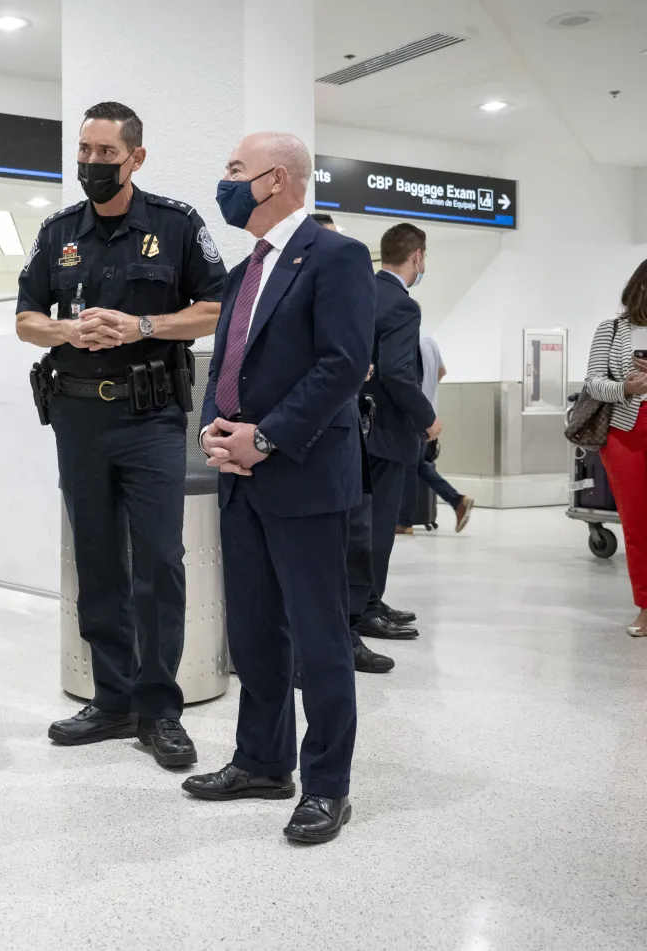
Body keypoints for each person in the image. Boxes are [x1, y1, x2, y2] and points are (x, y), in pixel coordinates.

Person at [16, 101, 227, 769]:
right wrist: (66, 330)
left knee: (160, 563)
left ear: (136, 157)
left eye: (107, 154)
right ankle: (112, 701)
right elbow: (25, 317)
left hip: (151, 419)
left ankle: (159, 709)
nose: (92, 165)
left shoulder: (175, 224)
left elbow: (215, 309)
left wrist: (142, 327)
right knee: (98, 560)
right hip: (77, 418)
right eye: (85, 151)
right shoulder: (57, 233)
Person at [184, 132, 373, 844]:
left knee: (319, 638)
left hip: (302, 476)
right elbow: (226, 365)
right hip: (241, 480)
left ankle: (327, 784)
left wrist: (264, 437)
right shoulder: (244, 271)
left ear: (277, 179)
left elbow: (342, 364)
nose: (225, 181)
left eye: (235, 169)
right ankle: (262, 760)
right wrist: (212, 431)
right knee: (256, 632)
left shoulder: (337, 256)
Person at [307, 213, 394, 676]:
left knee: (354, 538)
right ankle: (330, 642)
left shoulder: (346, 292)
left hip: (348, 428)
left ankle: (350, 630)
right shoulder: (290, 291)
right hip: (305, 436)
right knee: (323, 553)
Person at [353, 222, 437, 642]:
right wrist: (428, 418)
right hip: (387, 430)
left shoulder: (360, 291)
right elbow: (399, 373)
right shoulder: (404, 305)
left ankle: (370, 600)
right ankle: (367, 609)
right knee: (379, 525)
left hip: (356, 427)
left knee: (362, 522)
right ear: (417, 256)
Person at [587, 258, 647, 635]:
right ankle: (645, 606)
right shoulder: (613, 329)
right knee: (637, 524)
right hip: (625, 433)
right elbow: (593, 382)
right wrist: (626, 387)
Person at [396, 335, 474, 533]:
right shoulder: (430, 342)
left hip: (415, 414)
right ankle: (458, 501)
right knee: (418, 465)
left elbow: (402, 378)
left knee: (411, 466)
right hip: (429, 412)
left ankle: (405, 522)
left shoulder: (408, 341)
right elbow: (442, 372)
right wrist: (428, 392)